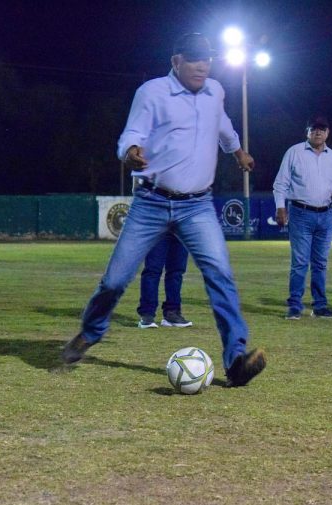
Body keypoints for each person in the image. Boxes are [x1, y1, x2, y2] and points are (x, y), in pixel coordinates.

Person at [62, 33, 266, 387]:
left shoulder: (215, 91)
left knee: (220, 275)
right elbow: (130, 134)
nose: (203, 66)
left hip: (198, 205)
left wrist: (238, 152)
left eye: (208, 60)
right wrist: (130, 151)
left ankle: (236, 361)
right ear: (176, 61)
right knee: (114, 280)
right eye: (195, 60)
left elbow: (223, 125)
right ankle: (91, 331)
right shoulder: (152, 92)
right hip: (152, 202)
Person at [273, 116, 332, 320]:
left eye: (322, 129)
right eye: (314, 129)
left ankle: (320, 306)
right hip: (300, 212)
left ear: (327, 133)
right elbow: (281, 183)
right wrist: (280, 207)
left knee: (321, 263)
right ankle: (295, 305)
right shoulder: (295, 152)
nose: (318, 132)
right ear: (307, 132)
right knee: (300, 262)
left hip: (325, 214)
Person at [136, 232, 193, 329]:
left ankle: (172, 312)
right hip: (158, 227)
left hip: (181, 228)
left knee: (176, 271)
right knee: (152, 270)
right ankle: (147, 314)